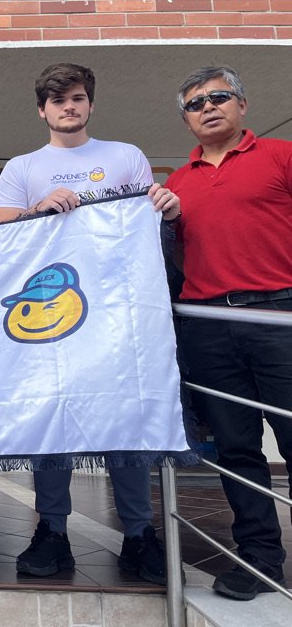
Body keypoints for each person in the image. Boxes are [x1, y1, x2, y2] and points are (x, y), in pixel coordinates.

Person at [0, 62, 179, 585]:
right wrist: (37, 209)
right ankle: (52, 531)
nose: (68, 107)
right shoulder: (23, 167)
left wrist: (166, 208)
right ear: (42, 110)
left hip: (118, 313)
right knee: (52, 419)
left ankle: (139, 534)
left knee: (126, 419)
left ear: (90, 104)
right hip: (51, 320)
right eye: (58, 101)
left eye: (76, 98)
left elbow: (148, 221)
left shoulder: (125, 156)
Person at [166, 66, 292, 600]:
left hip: (279, 317)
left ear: (242, 104)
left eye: (218, 97)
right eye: (195, 104)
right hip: (209, 326)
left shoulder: (281, 156)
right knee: (237, 450)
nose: (208, 107)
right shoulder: (176, 184)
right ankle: (260, 560)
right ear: (187, 120)